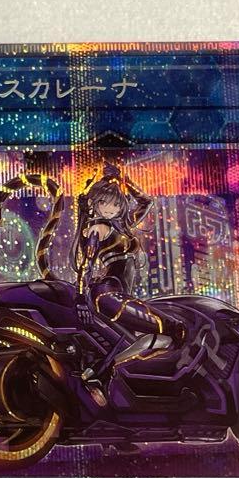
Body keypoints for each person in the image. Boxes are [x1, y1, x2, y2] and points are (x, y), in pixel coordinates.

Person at [71, 163, 186, 405]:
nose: (110, 208)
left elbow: (146, 201)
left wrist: (124, 179)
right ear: (94, 204)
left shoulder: (121, 226)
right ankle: (101, 372)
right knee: (175, 329)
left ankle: (100, 371)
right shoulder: (98, 228)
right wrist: (80, 298)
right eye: (104, 202)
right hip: (109, 296)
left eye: (115, 204)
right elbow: (86, 265)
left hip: (121, 296)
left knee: (168, 337)